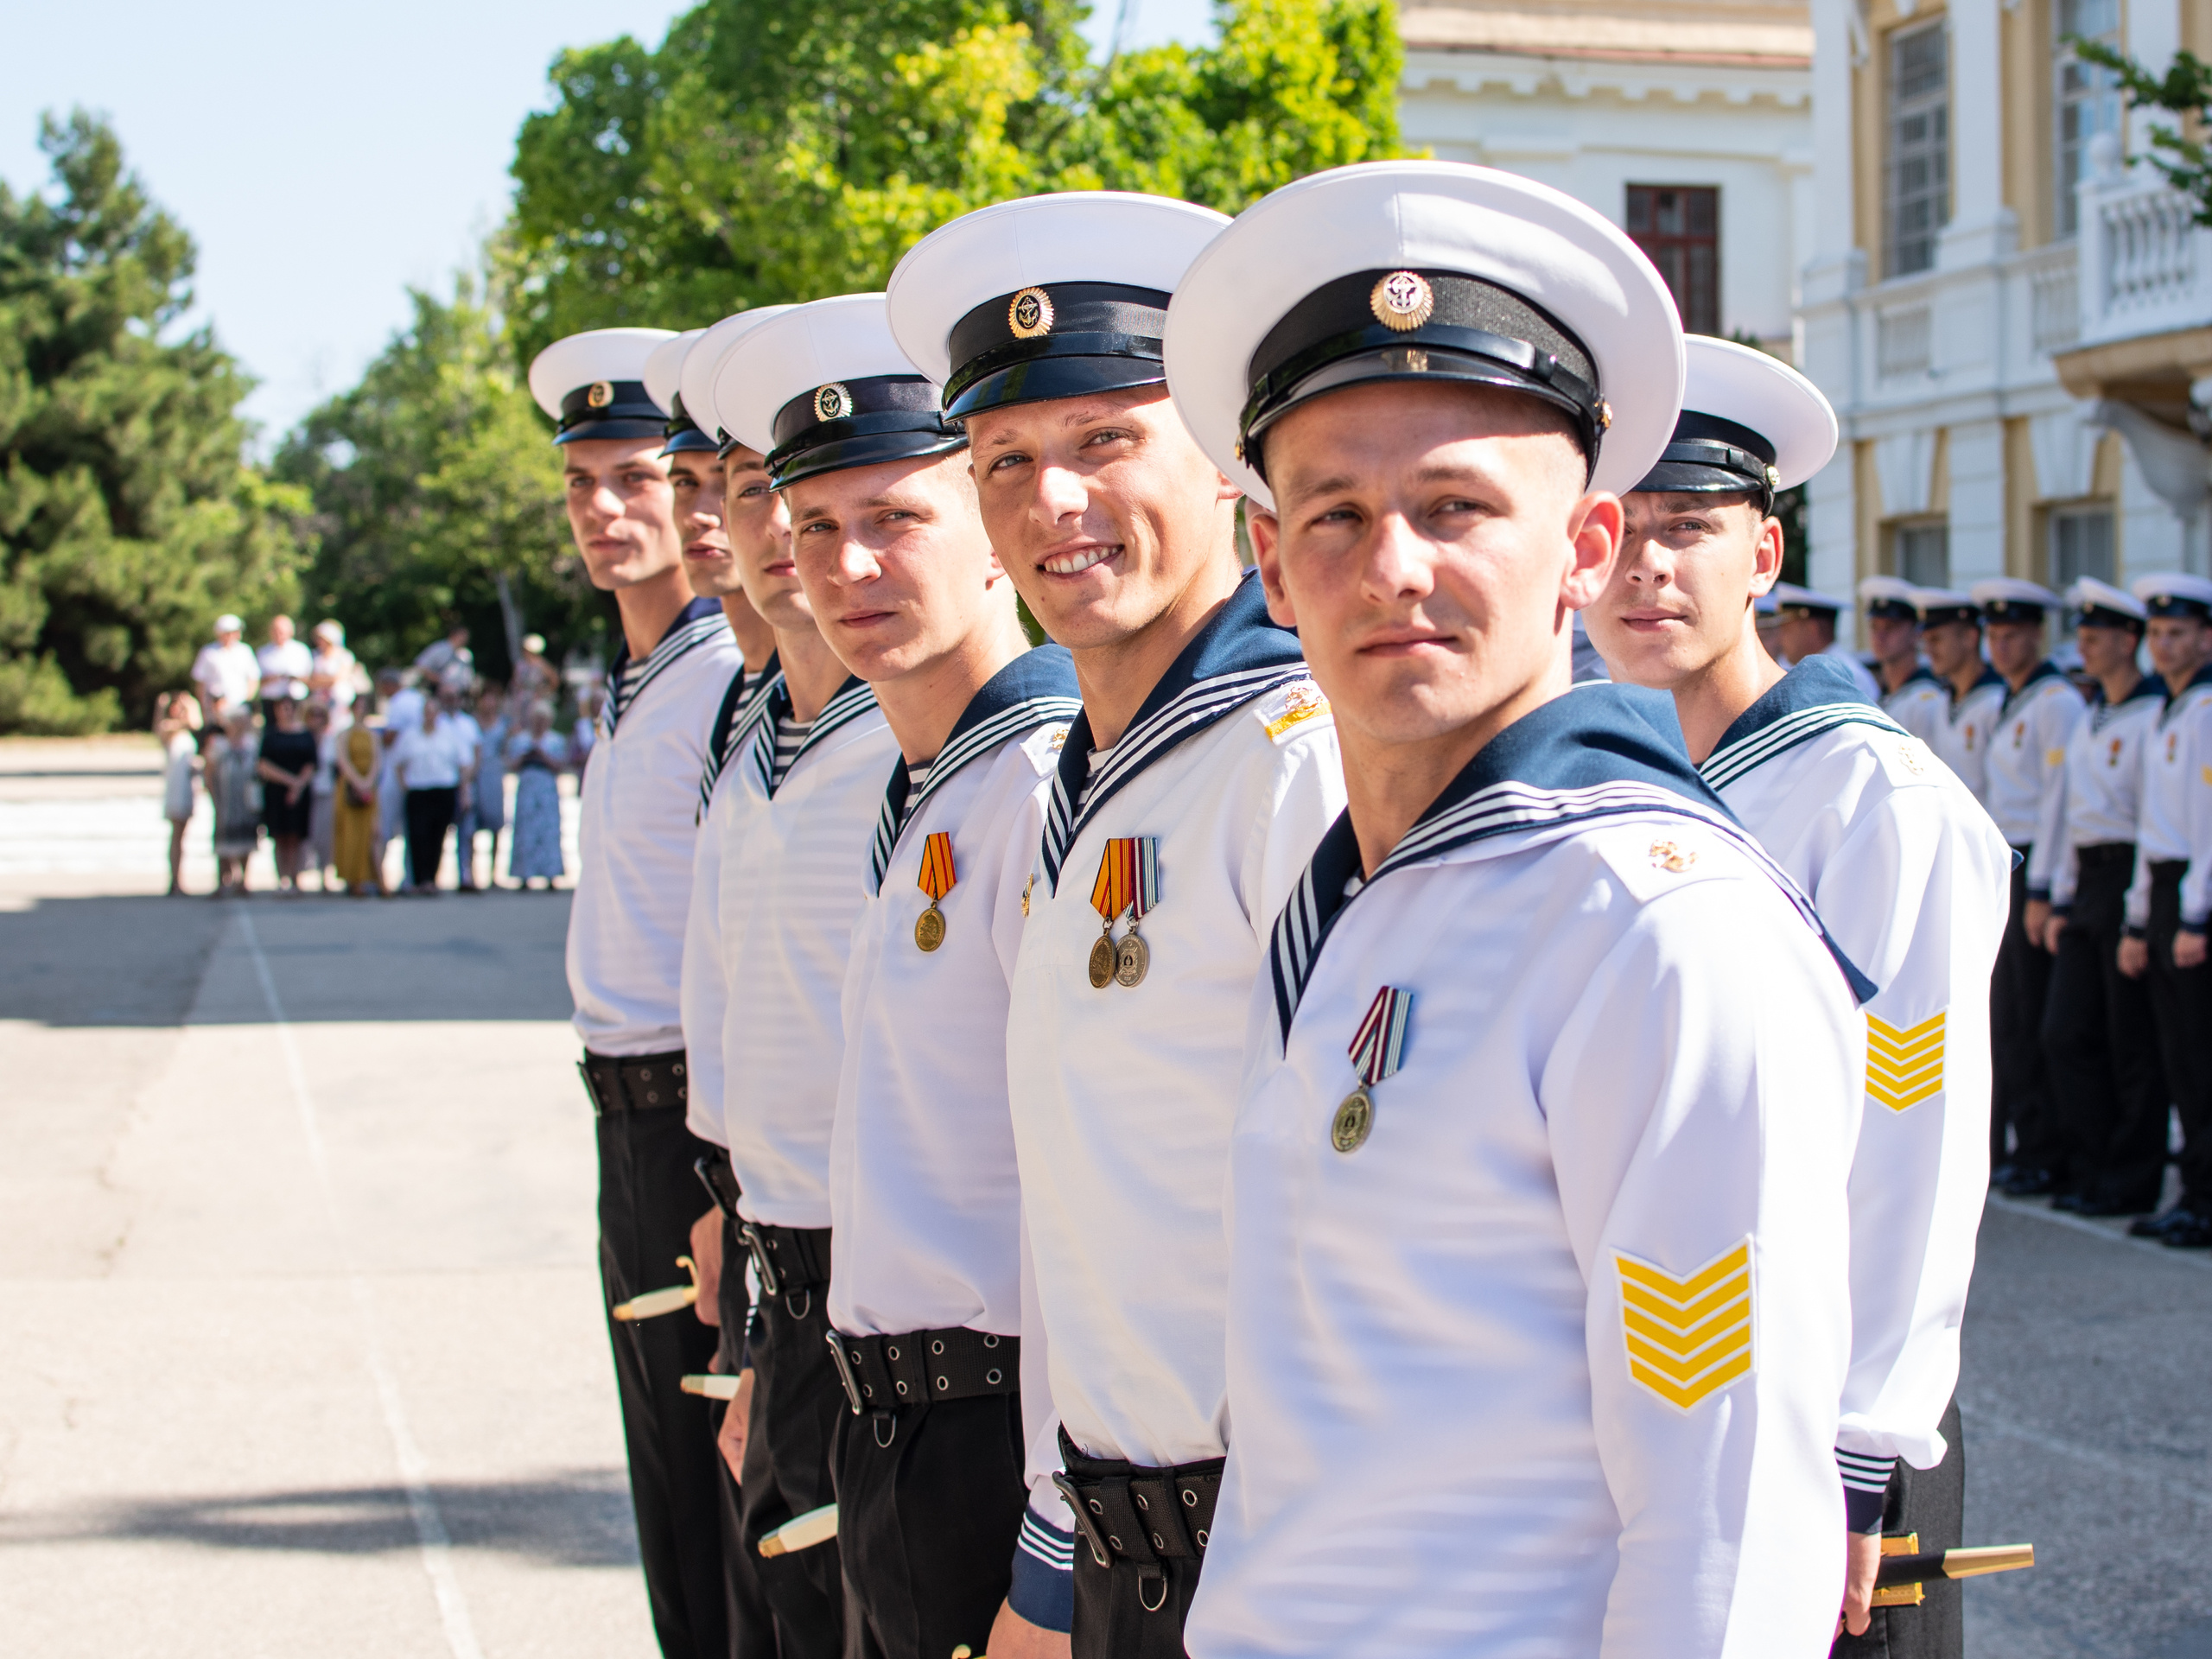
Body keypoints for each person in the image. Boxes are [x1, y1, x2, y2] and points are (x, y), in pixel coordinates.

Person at [1160, 159, 1864, 1659]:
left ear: (1586, 549)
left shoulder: (1656, 930)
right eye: (1336, 515)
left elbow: (1727, 1535)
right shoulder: (1364, 891)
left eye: (1458, 504)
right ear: (1271, 565)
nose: (1393, 567)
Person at [889, 188, 1341, 1657]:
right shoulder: (1086, 786)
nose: (1052, 503)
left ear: (1222, 465)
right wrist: (1049, 1553)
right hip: (1119, 1549)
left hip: (1288, 1560)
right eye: (1006, 458)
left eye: (1104, 442)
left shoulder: (1297, 760)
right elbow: (1088, 1223)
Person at [1583, 334, 2009, 1655]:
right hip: (1652, 1406)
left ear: (1764, 557)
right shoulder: (1592, 782)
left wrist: (1863, 1452)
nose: (1649, 567)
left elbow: (1914, 1145)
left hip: (1827, 1420)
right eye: (1623, 531)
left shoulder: (1874, 799)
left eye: (1692, 528)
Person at [731, 294, 1084, 1659]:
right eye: (816, 526)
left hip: (997, 1435)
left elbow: (1092, 1204)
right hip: (878, 1405)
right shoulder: (924, 779)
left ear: (995, 543)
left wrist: (1053, 1544)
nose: (848, 564)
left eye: (897, 521)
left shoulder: (1045, 777)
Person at [528, 325, 741, 1659]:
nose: (607, 512)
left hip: (686, 1122)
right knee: (666, 1477)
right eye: (582, 484)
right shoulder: (653, 675)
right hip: (628, 1112)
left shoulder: (725, 679)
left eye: (637, 478)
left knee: (711, 1494)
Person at [2032, 577, 2169, 1218]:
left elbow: (2154, 820)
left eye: (2096, 637)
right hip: (2088, 878)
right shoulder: (2095, 716)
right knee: (2066, 1031)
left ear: (2128, 641)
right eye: (2081, 637)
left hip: (2128, 877)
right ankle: (2092, 1165)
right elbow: (2067, 815)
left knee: (2129, 1039)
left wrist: (2139, 911)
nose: (2083, 647)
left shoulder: (2151, 717)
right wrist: (2059, 896)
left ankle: (2130, 1176)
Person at [1974, 578, 2085, 1197]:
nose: (2003, 643)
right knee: (2010, 1017)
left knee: (2043, 1019)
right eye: (1996, 633)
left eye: (2014, 632)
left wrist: (2044, 887)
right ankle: (2031, 1144)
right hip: (2010, 857)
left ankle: (2049, 1149)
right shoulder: (2012, 700)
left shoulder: (2054, 702)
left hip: (2041, 860)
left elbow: (2058, 804)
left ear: (2038, 636)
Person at [2120, 573, 2212, 1246]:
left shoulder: (2205, 711)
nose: (2163, 645)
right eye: (2156, 633)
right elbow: (2154, 823)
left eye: (2177, 632)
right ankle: (2192, 1194)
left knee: (2200, 1059)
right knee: (2176, 1056)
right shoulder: (2170, 711)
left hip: (2192, 890)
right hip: (2161, 885)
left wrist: (2195, 914)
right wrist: (2137, 916)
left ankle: (2204, 1200)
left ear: (2206, 638)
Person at [1918, 589, 2005, 803]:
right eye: (1926, 641)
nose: (1928, 650)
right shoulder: (1944, 704)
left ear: (1970, 637)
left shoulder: (1996, 703)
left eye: (1936, 640)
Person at [391, 693, 465, 893]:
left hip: (443, 789)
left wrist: (464, 791)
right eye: (427, 712)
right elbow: (398, 763)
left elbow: (463, 763)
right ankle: (417, 880)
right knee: (417, 834)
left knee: (437, 835)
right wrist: (405, 785)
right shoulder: (410, 735)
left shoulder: (449, 734)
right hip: (418, 790)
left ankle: (431, 879)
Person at [1861, 575, 1948, 745]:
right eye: (1874, 627)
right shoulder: (1884, 696)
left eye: (1890, 627)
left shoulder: (1925, 701)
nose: (1880, 636)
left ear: (1916, 634)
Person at [1770, 581, 1884, 700]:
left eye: (1787, 630)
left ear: (1812, 629)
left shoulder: (1844, 677)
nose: (1780, 638)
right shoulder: (1817, 670)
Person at [255, 690, 318, 893]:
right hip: (276, 792)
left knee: (296, 836)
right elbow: (263, 765)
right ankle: (282, 878)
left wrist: (298, 785)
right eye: (283, 708)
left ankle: (296, 876)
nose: (286, 711)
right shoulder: (271, 735)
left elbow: (311, 763)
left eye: (290, 707)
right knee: (280, 836)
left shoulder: (305, 734)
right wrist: (290, 781)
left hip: (300, 792)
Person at [505, 702, 569, 888]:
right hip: (527, 784)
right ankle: (524, 874)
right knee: (526, 830)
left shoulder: (555, 740)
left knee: (548, 831)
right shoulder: (521, 740)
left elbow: (560, 765)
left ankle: (551, 874)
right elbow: (511, 764)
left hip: (546, 786)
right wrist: (526, 756)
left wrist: (542, 755)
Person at [460, 687, 509, 890]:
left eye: (492, 700)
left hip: (493, 775)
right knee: (470, 825)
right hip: (474, 774)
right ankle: (468, 874)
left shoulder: (502, 723)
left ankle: (494, 874)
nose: (489, 704)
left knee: (496, 824)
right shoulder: (470, 722)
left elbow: (506, 749)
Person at [207, 708, 261, 895]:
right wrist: (214, 798)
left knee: (246, 836)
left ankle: (243, 881)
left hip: (246, 798)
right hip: (226, 798)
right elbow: (210, 772)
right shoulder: (219, 745)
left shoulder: (252, 744)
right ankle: (223, 880)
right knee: (223, 838)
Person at [333, 710, 385, 897]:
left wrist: (368, 782)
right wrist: (357, 782)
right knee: (352, 835)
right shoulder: (345, 734)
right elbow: (343, 760)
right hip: (351, 789)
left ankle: (378, 878)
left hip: (369, 787)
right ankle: (354, 880)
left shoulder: (372, 735)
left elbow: (378, 760)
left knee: (373, 833)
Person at [156, 690, 202, 896]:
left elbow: (197, 724)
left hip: (187, 786)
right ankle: (175, 880)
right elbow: (195, 723)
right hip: (176, 788)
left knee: (182, 835)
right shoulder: (168, 729)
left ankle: (177, 879)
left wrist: (190, 705)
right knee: (177, 835)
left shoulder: (186, 733)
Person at [191, 614, 259, 728]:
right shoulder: (208, 652)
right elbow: (201, 683)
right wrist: (204, 708)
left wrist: (247, 701)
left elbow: (253, 679)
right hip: (216, 707)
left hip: (240, 707)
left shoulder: (245, 651)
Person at [307, 699, 340, 889]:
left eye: (320, 715)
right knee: (309, 834)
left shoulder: (331, 740)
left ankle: (325, 874)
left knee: (326, 834)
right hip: (306, 791)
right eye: (313, 715)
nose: (316, 720)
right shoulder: (302, 738)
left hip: (327, 790)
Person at [256, 615, 314, 713]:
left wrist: (295, 677)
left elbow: (310, 678)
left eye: (281, 632)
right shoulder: (263, 652)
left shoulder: (301, 650)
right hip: (271, 699)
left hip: (296, 699)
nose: (278, 634)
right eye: (275, 631)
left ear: (290, 632)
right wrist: (272, 678)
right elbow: (256, 680)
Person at [309, 620, 358, 720]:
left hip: (338, 702)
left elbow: (338, 678)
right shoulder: (314, 655)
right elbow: (310, 680)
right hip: (319, 702)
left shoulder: (345, 656)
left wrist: (319, 680)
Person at [512, 631, 558, 706]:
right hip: (521, 701)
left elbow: (555, 681)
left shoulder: (542, 664)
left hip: (537, 702)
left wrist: (544, 691)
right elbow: (515, 682)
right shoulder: (520, 664)